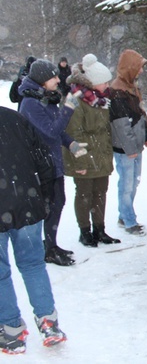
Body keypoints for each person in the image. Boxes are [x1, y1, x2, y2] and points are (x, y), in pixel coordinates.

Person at [0, 107, 67, 353]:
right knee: (32, 265)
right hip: (27, 204)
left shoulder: (15, 119)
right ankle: (48, 320)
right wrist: (45, 198)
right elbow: (44, 159)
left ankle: (11, 330)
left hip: (21, 203)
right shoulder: (15, 119)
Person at [18, 59, 88, 267]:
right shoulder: (30, 103)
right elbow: (50, 131)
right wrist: (68, 109)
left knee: (58, 203)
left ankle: (51, 244)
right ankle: (47, 249)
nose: (58, 80)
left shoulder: (45, 98)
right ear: (41, 80)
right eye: (53, 77)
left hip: (53, 161)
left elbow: (57, 131)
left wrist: (71, 144)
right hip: (41, 166)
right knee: (49, 206)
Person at [63, 54, 120, 247]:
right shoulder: (76, 100)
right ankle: (84, 231)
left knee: (100, 193)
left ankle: (99, 229)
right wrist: (81, 162)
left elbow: (104, 131)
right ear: (93, 82)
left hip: (101, 156)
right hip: (84, 158)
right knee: (84, 194)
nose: (107, 85)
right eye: (104, 82)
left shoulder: (101, 100)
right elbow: (73, 134)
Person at [110, 49, 147, 236]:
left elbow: (140, 114)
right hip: (125, 148)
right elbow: (120, 124)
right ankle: (128, 220)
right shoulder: (117, 91)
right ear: (130, 68)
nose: (141, 71)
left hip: (135, 146)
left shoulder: (132, 87)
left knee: (134, 183)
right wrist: (130, 148)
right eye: (139, 67)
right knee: (126, 185)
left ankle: (124, 214)